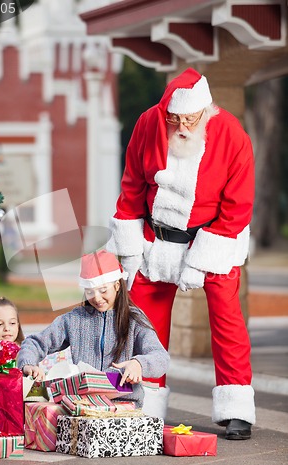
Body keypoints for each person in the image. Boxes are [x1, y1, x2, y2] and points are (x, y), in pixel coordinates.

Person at [106, 67, 255, 439]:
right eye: (175, 119)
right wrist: (129, 251)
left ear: (206, 112)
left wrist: (201, 259)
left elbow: (238, 206)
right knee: (142, 325)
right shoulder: (148, 124)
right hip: (156, 240)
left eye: (191, 119)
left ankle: (235, 408)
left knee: (227, 323)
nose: (183, 126)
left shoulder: (233, 135)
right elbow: (132, 184)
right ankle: (143, 402)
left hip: (213, 239)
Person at [17, 250, 170, 409]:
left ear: (117, 285)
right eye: (90, 291)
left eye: (103, 290)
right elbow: (34, 343)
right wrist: (28, 364)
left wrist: (139, 364)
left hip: (124, 409)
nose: (96, 298)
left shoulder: (134, 319)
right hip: (84, 408)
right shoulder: (75, 319)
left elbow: (161, 357)